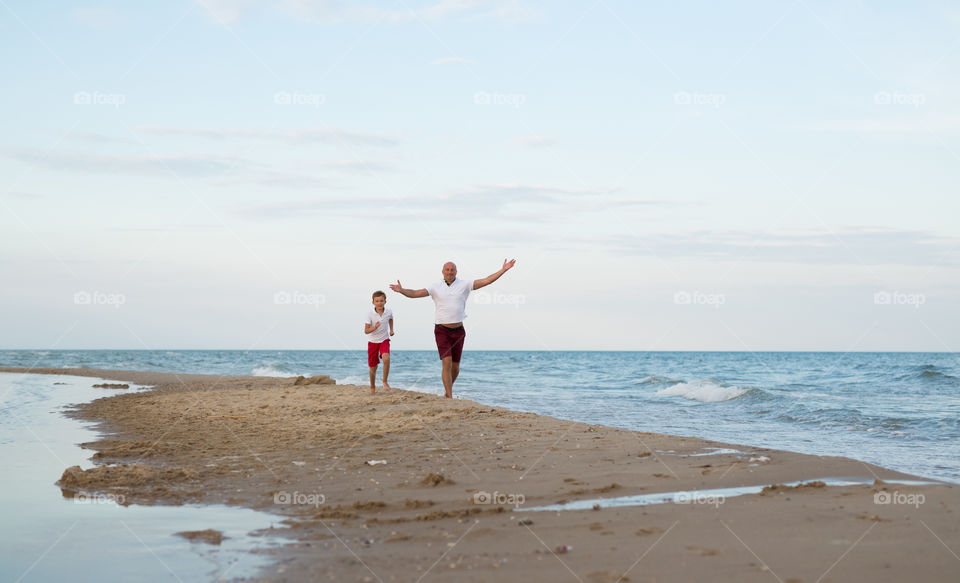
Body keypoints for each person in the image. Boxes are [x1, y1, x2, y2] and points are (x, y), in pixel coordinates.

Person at [389, 259, 516, 398]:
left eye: (452, 270)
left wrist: (503, 270)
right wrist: (401, 290)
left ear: (456, 272)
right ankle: (449, 395)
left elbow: (486, 281)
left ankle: (447, 391)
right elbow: (415, 293)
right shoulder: (435, 286)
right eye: (447, 269)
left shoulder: (465, 284)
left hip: (459, 331)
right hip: (442, 330)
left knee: (455, 367)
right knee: (447, 361)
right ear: (442, 272)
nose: (449, 272)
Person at [364, 290, 394, 394]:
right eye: (377, 301)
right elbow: (366, 331)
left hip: (384, 340)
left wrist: (391, 329)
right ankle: (372, 387)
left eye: (381, 300)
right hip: (372, 342)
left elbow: (390, 319)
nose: (379, 303)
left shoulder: (388, 311)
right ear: (373, 302)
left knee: (386, 358)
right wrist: (375, 327)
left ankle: (385, 381)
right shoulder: (370, 314)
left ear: (385, 301)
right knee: (373, 366)